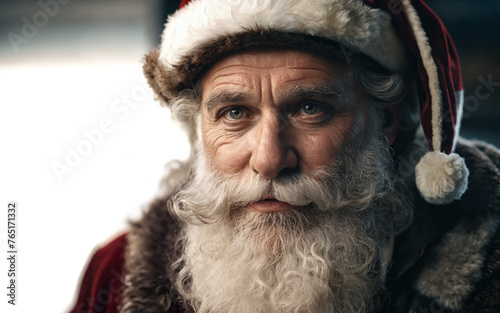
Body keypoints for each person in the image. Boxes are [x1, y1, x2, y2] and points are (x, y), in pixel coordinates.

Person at [69, 0, 500, 312]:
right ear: (199, 127)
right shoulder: (114, 274)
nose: (270, 159)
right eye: (234, 113)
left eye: (310, 108)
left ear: (385, 120)